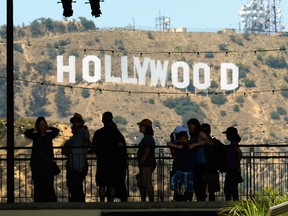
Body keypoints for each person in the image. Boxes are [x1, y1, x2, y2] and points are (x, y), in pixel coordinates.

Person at [92, 112, 128, 202]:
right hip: (114, 162)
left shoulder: (98, 133)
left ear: (103, 120)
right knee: (112, 184)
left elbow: (94, 148)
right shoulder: (116, 133)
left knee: (102, 184)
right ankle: (110, 203)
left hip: (102, 161)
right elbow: (122, 148)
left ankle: (102, 203)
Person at [24, 117, 59, 202]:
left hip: (48, 165)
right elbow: (27, 133)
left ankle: (50, 202)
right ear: (37, 126)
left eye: (43, 124)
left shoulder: (49, 135)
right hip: (37, 165)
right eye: (40, 124)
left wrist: (49, 128)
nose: (42, 126)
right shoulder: (35, 136)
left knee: (48, 184)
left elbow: (56, 131)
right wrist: (34, 129)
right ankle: (39, 202)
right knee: (38, 185)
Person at [63, 113, 90, 202]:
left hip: (79, 165)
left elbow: (87, 142)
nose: (75, 123)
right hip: (72, 165)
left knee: (77, 185)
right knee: (72, 185)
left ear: (81, 123)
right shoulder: (75, 136)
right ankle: (76, 201)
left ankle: (79, 202)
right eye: (75, 121)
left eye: (77, 121)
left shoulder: (83, 132)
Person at [187, 118, 213, 201]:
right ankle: (200, 198)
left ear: (195, 125)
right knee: (197, 181)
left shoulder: (200, 133)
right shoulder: (194, 135)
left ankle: (201, 198)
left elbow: (209, 142)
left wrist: (195, 145)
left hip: (201, 161)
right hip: (196, 161)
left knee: (199, 181)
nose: (189, 128)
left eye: (190, 126)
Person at [167, 126, 195, 201]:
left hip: (182, 167)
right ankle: (181, 196)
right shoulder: (186, 145)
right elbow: (169, 144)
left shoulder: (187, 145)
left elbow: (169, 144)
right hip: (183, 167)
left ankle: (182, 196)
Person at [136, 118, 156, 202]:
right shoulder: (148, 138)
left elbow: (147, 152)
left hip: (147, 163)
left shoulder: (147, 138)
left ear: (146, 127)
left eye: (141, 126)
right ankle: (145, 201)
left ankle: (150, 202)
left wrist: (141, 162)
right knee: (142, 183)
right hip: (146, 163)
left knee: (147, 183)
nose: (140, 127)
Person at [222, 126, 243, 201]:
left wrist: (236, 165)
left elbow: (239, 153)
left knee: (229, 188)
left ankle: (231, 203)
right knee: (233, 188)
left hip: (233, 169)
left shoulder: (233, 144)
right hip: (233, 169)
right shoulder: (233, 144)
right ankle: (234, 202)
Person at [202, 123, 221, 201]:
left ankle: (201, 206)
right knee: (212, 191)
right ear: (210, 131)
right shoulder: (215, 142)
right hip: (213, 168)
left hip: (202, 168)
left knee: (201, 190)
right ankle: (211, 203)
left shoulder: (199, 143)